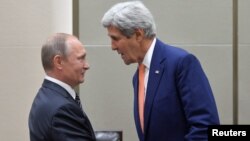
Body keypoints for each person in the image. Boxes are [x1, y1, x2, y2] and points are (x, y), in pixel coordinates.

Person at [101, 1, 220, 141]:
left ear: (138, 34)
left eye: (115, 39)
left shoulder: (181, 63)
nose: (113, 47)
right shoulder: (138, 76)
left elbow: (205, 128)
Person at [28, 33, 96, 141]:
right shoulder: (62, 109)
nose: (87, 65)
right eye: (81, 58)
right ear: (59, 62)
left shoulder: (47, 96)